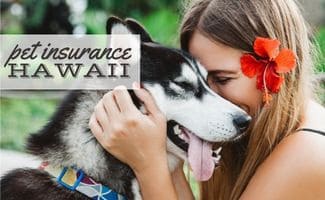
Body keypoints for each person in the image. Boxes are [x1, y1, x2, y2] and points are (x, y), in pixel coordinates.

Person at [88, 0, 325, 199]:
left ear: (274, 70)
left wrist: (149, 164)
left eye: (222, 79)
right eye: (199, 82)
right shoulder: (262, 133)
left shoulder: (309, 152)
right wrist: (163, 146)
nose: (211, 100)